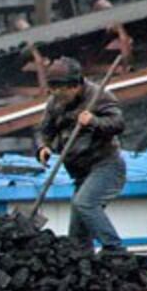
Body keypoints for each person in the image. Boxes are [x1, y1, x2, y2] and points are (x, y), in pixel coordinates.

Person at [35, 57, 126, 251]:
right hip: (79, 171)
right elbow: (45, 130)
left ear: (75, 86)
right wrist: (44, 147)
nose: (57, 94)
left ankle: (115, 249)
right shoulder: (55, 102)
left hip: (105, 165)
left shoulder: (100, 97)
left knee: (85, 203)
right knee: (77, 235)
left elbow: (118, 124)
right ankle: (82, 263)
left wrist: (94, 121)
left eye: (62, 90)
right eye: (53, 89)